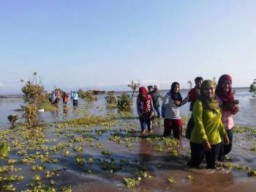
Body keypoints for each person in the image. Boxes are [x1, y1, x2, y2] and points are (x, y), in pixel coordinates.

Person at [187, 80, 229, 169]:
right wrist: (204, 140)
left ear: (215, 89)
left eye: (211, 88)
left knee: (211, 166)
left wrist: (224, 134)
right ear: (202, 90)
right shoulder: (199, 103)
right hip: (199, 140)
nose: (209, 91)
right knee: (195, 164)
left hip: (215, 139)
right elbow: (198, 122)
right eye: (206, 89)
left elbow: (218, 121)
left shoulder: (215, 103)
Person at [216, 74, 239, 161]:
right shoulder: (215, 96)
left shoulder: (231, 96)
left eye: (229, 83)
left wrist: (235, 110)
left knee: (228, 146)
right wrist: (226, 106)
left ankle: (219, 157)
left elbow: (231, 112)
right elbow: (214, 112)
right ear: (220, 84)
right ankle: (219, 161)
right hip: (218, 125)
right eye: (224, 83)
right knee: (220, 145)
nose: (227, 86)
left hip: (229, 124)